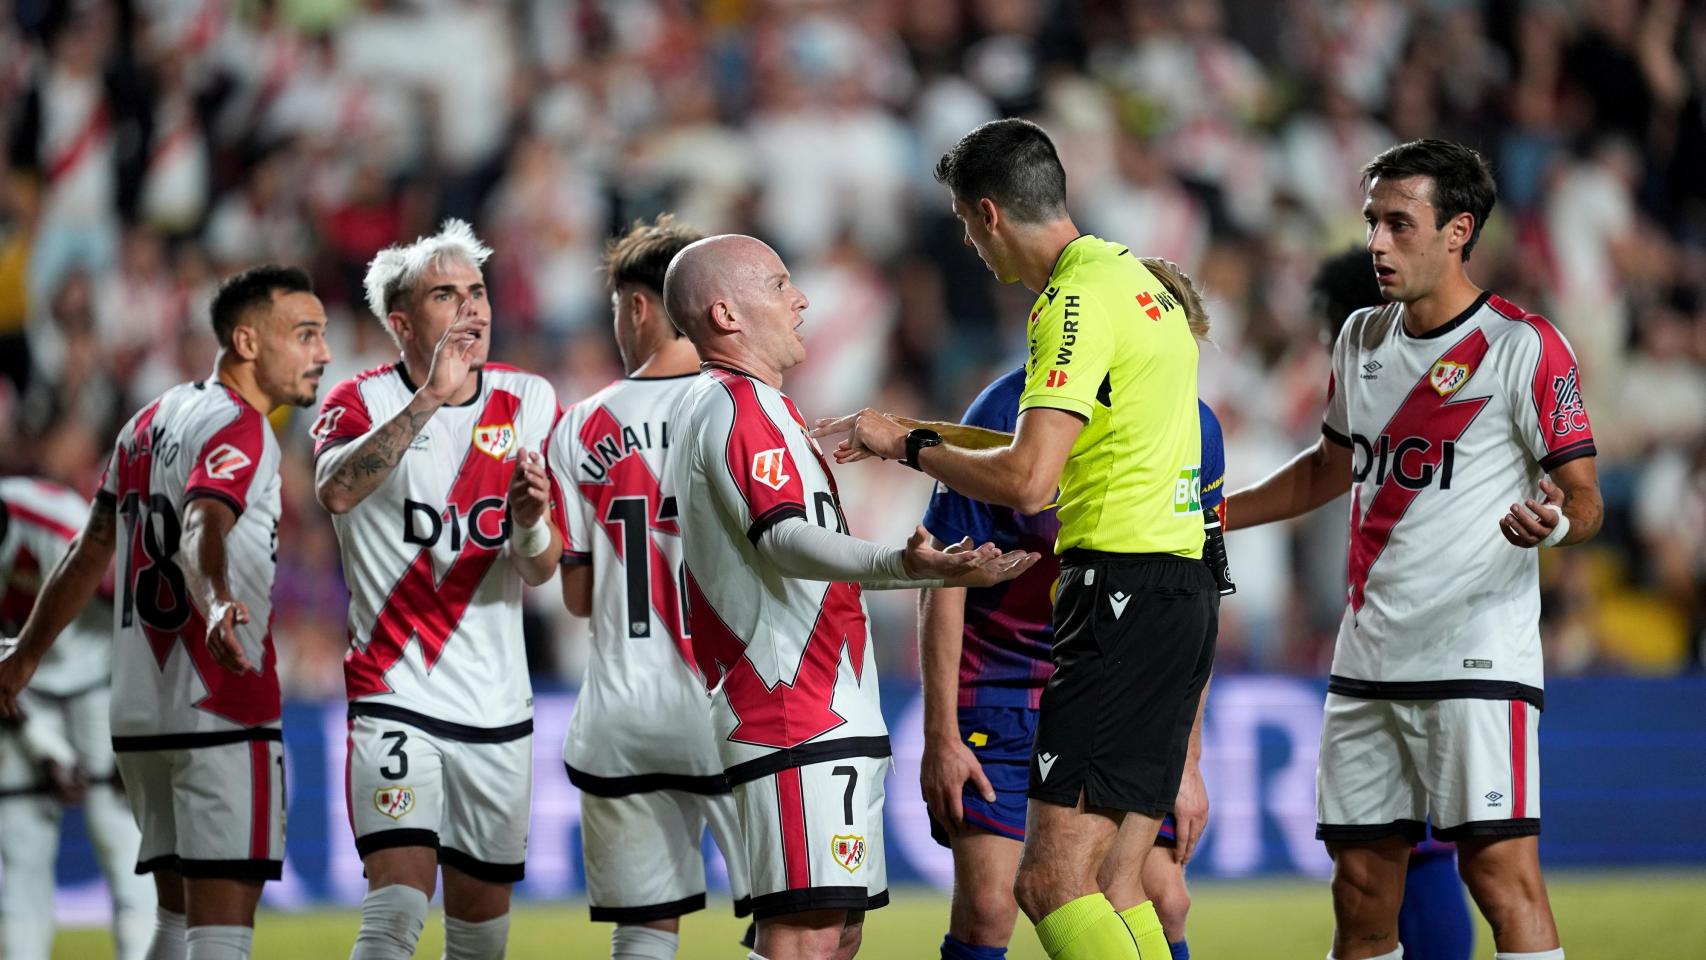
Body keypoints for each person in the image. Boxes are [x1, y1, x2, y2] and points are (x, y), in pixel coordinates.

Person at [813, 118, 1217, 960]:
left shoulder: (1068, 301)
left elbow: (1033, 481)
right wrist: (915, 426)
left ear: (988, 214)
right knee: (1119, 887)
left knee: (1045, 885)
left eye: (965, 224)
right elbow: (1067, 446)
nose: (971, 245)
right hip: (1175, 597)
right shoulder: (1140, 287)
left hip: (1117, 596)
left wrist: (907, 448)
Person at [1224, 139, 1602, 960]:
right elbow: (1330, 466)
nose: (1377, 243)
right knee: (1359, 893)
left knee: (1503, 882)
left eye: (1400, 224)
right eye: (1372, 223)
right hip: (1366, 661)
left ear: (1458, 230)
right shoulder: (1359, 337)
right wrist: (1216, 515)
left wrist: (1558, 523)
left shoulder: (1525, 346)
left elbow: (1584, 495)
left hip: (1475, 657)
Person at [661, 233, 1038, 960]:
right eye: (778, 286)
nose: (801, 299)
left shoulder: (751, 408)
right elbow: (786, 540)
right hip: (789, 706)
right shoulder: (740, 407)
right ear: (726, 314)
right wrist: (906, 563)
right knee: (807, 936)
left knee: (835, 935)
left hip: (818, 706)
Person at [0, 264, 332, 960]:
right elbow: (203, 524)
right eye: (303, 335)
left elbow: (90, 549)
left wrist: (24, 655)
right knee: (221, 935)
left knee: (175, 924)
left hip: (142, 715)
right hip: (219, 703)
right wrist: (214, 603)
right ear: (247, 341)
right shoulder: (243, 431)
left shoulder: (146, 422)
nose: (321, 354)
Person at [918, 362, 1232, 960]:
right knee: (989, 907)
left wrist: (1187, 759)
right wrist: (942, 734)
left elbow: (1197, 592)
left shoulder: (1196, 426)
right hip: (1007, 678)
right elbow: (943, 572)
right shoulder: (1005, 407)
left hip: (1118, 679)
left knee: (1163, 901)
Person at [313, 220, 561, 960]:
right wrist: (427, 401)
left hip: (497, 705)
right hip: (396, 690)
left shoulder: (529, 397)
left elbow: (542, 567)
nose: (472, 310)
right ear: (401, 323)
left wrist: (526, 523)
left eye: (478, 292)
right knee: (394, 911)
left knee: (479, 941)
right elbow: (334, 491)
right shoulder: (355, 399)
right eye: (446, 296)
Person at [545, 215, 753, 959]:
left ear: (637, 307)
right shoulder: (741, 411)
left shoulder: (578, 427)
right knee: (789, 929)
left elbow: (576, 598)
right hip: (731, 711)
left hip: (622, 716)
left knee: (644, 932)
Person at [1313, 247, 1475, 960]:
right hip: (1395, 644)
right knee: (1391, 863)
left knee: (1431, 855)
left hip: (1429, 650)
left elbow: (1326, 471)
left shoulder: (1418, 377)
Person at [0, 476, 155, 960]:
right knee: (20, 853)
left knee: (124, 847)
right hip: (18, 695)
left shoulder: (57, 521)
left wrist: (138, 724)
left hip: (99, 684)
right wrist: (42, 747)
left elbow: (140, 610)